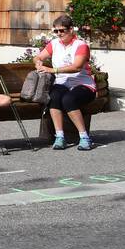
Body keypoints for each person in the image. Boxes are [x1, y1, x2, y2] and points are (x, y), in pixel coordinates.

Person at [35, 14, 98, 151]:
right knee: (53, 98)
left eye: (62, 30)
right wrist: (39, 62)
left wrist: (52, 70)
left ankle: (84, 137)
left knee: (69, 100)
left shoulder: (80, 45)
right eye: (56, 31)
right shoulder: (54, 44)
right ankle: (60, 136)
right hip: (62, 83)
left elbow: (76, 67)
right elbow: (39, 57)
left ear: (71, 30)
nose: (59, 34)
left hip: (82, 83)